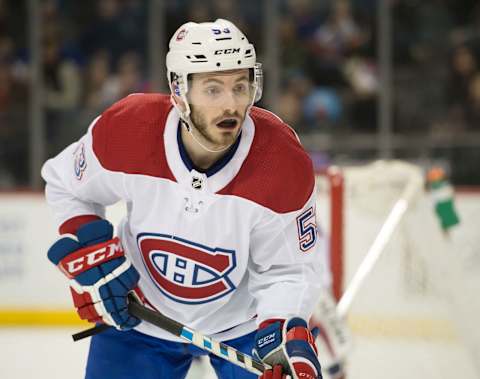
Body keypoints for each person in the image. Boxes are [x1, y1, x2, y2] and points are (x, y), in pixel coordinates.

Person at [42, 19, 327, 379]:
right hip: (140, 317)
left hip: (243, 329)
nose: (231, 105)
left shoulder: (282, 163)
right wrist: (90, 247)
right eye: (213, 89)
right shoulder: (128, 131)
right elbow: (65, 183)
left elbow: (289, 269)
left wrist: (282, 334)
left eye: (240, 86)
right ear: (179, 91)